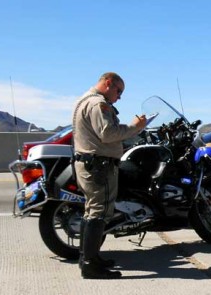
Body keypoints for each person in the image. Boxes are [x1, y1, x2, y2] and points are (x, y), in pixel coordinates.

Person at [73, 72, 147, 279]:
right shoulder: (98, 104)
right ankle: (89, 265)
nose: (119, 96)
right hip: (99, 167)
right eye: (119, 91)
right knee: (99, 213)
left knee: (91, 212)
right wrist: (135, 127)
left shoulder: (84, 100)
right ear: (108, 84)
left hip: (91, 165)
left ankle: (89, 258)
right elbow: (108, 133)